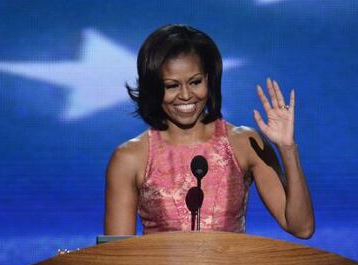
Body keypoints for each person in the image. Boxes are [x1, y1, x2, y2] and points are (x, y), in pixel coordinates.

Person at [104, 24, 314, 238]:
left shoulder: (245, 144)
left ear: (209, 80)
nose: (186, 95)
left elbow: (301, 228)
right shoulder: (129, 158)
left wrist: (288, 150)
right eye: (171, 86)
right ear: (153, 88)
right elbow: (116, 257)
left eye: (195, 82)